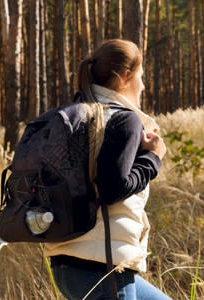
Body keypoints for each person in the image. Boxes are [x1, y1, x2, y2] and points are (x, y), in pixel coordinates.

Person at [44, 39, 171, 300]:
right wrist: (153, 158)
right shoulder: (123, 119)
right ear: (125, 76)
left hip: (65, 264)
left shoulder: (80, 115)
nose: (144, 85)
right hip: (102, 267)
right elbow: (113, 188)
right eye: (141, 76)